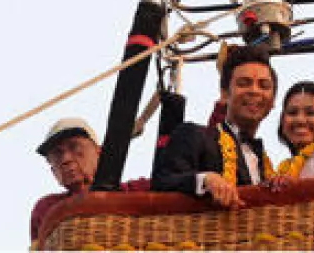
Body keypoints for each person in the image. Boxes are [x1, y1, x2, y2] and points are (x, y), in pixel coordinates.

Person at [151, 45, 278, 208]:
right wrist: (205, 179)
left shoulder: (265, 164)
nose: (254, 91)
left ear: (273, 101)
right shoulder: (194, 135)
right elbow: (162, 182)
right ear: (224, 94)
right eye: (243, 83)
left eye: (264, 86)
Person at [29, 117, 148, 245]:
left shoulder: (137, 190)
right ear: (53, 171)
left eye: (74, 147)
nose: (65, 159)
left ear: (99, 153)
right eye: (57, 154)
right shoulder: (46, 208)